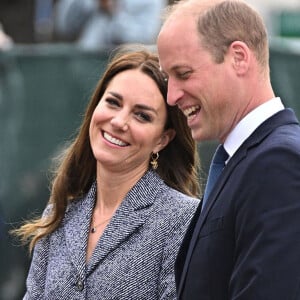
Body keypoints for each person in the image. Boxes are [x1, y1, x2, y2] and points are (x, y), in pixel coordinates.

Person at [13, 46, 200, 299]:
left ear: (162, 140)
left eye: (142, 116)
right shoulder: (61, 212)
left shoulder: (184, 219)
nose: (119, 121)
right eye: (113, 102)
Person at [157, 0, 300, 299]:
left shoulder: (278, 163)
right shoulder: (246, 161)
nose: (171, 96)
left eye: (183, 74)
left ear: (238, 58)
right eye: (168, 78)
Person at [54, 0, 167, 51]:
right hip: (82, 68)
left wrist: (112, 10)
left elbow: (144, 37)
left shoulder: (149, 2)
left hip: (124, 68)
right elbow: (63, 26)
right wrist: (93, 4)